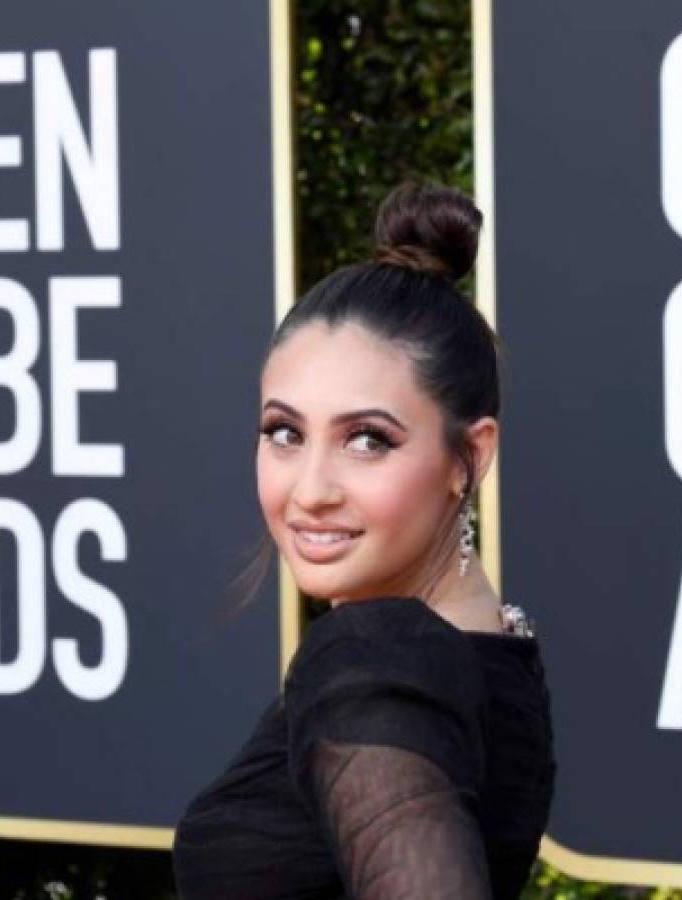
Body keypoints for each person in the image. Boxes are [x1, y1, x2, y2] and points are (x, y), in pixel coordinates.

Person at [171, 181, 556, 899]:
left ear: (467, 457)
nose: (310, 488)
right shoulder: (493, 646)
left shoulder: (373, 658)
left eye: (368, 440)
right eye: (284, 433)